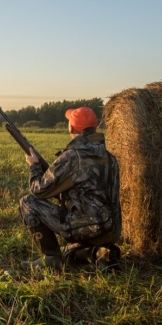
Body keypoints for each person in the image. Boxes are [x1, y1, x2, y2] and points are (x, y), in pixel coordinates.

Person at [19, 106, 122, 270]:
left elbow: (38, 190)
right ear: (93, 128)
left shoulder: (73, 156)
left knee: (28, 202)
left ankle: (51, 258)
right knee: (69, 253)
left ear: (72, 128)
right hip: (111, 230)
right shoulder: (110, 158)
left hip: (87, 227)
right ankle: (99, 253)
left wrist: (34, 166)